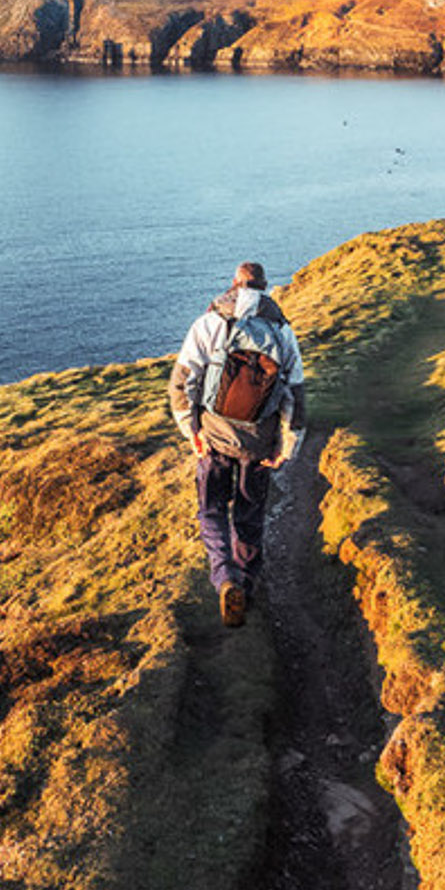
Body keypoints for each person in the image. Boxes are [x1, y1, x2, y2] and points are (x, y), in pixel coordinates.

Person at [169, 261, 306, 626]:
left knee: (211, 509)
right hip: (258, 444)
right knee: (248, 514)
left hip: (213, 438)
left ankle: (224, 578)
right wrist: (287, 447)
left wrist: (191, 431)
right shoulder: (282, 330)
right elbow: (295, 395)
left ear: (234, 284)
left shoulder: (209, 322)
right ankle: (245, 585)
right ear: (265, 288)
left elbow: (182, 383)